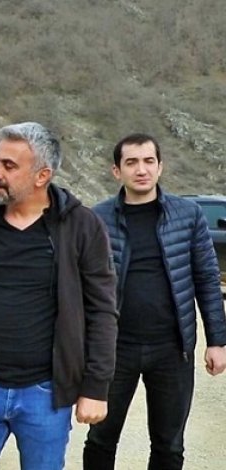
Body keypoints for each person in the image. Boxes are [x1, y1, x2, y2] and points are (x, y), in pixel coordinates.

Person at [0, 122, 118, 469]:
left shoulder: (81, 226)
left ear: (42, 175)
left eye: (9, 165)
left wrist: (96, 387)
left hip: (45, 393)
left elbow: (102, 312)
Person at [83, 133, 226, 469]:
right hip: (114, 349)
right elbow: (81, 285)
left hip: (172, 349)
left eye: (149, 161)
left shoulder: (188, 215)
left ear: (160, 167)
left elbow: (207, 278)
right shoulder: (96, 218)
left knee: (169, 445)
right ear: (116, 171)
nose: (141, 169)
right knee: (101, 438)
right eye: (131, 162)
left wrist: (217, 340)